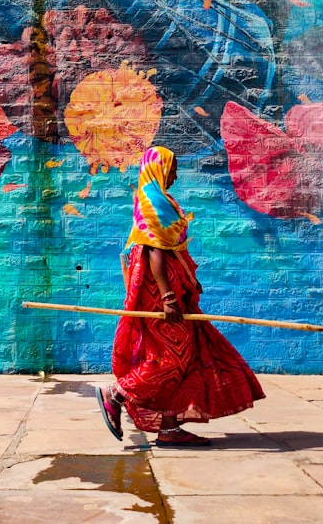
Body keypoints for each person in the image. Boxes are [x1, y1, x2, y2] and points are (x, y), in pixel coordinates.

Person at [97, 145, 265, 447]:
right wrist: (168, 296)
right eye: (171, 168)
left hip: (174, 292)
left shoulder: (164, 201)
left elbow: (174, 251)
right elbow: (156, 253)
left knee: (186, 358)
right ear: (158, 169)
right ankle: (117, 393)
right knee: (169, 358)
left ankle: (170, 427)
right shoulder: (151, 203)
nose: (175, 174)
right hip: (159, 297)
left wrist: (189, 280)